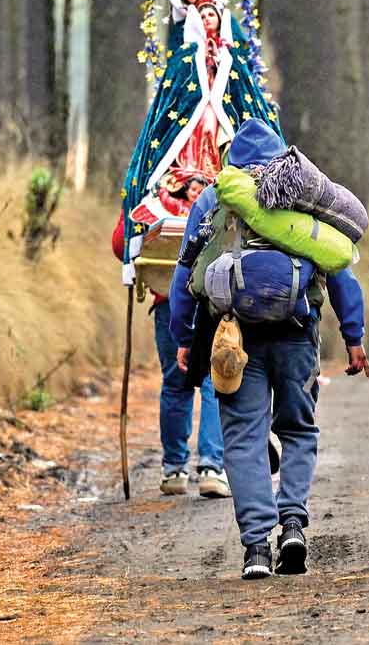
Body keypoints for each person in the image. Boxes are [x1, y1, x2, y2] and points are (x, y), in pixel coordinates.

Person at [169, 120, 369, 580]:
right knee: (298, 429)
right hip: (297, 332)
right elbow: (339, 269)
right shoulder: (300, 195)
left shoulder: (213, 198)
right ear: (281, 157)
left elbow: (186, 274)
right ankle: (293, 523)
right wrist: (354, 336)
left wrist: (183, 338)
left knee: (243, 439)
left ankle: (257, 547)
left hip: (234, 337)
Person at [119, 0, 278, 283]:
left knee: (221, 142)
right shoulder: (184, 58)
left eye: (211, 14)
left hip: (222, 126)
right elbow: (172, 101)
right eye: (201, 15)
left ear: (220, 17)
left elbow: (246, 98)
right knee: (194, 134)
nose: (207, 19)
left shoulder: (234, 59)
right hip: (191, 127)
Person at [110, 179, 229, 500]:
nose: (194, 189)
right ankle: (211, 468)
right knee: (214, 381)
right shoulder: (226, 188)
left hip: (169, 301)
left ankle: (175, 469)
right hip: (214, 301)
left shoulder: (152, 182)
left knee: (177, 382)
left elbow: (122, 243)